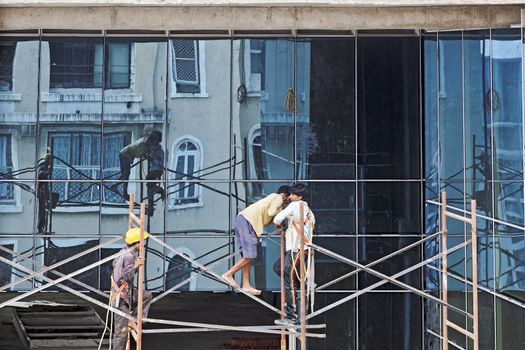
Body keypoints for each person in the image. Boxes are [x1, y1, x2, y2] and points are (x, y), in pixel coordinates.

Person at [222, 185, 290, 295]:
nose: (287, 202)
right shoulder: (278, 197)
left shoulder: (271, 199)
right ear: (285, 195)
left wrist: (278, 222)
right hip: (247, 222)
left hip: (244, 221)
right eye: (288, 199)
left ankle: (246, 285)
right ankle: (228, 274)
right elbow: (272, 213)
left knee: (247, 256)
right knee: (250, 255)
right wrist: (281, 213)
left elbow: (268, 218)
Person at [272, 183, 315, 326]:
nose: (289, 197)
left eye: (292, 194)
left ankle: (291, 315)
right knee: (279, 268)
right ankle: (300, 289)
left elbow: (277, 218)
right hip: (302, 250)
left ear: (299, 196)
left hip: (296, 249)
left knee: (288, 279)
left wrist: (282, 223)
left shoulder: (295, 206)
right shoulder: (308, 210)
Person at [111, 227, 153, 350]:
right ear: (137, 243)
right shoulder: (129, 256)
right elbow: (126, 276)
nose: (143, 244)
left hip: (123, 292)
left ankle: (132, 319)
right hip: (121, 298)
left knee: (146, 295)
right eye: (142, 241)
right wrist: (136, 266)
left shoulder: (123, 251)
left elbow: (114, 264)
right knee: (121, 333)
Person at [112, 129, 162, 200]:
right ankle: (123, 192)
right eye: (154, 143)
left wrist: (148, 155)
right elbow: (138, 154)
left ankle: (115, 186)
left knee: (125, 175)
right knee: (126, 175)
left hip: (126, 155)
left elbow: (142, 153)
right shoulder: (142, 144)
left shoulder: (146, 142)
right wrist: (148, 155)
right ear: (152, 141)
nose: (154, 145)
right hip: (125, 155)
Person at [145, 143, 165, 217]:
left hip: (156, 170)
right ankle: (151, 209)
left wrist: (149, 158)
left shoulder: (157, 150)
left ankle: (160, 190)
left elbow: (157, 160)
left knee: (148, 183)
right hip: (155, 170)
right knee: (150, 189)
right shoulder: (156, 149)